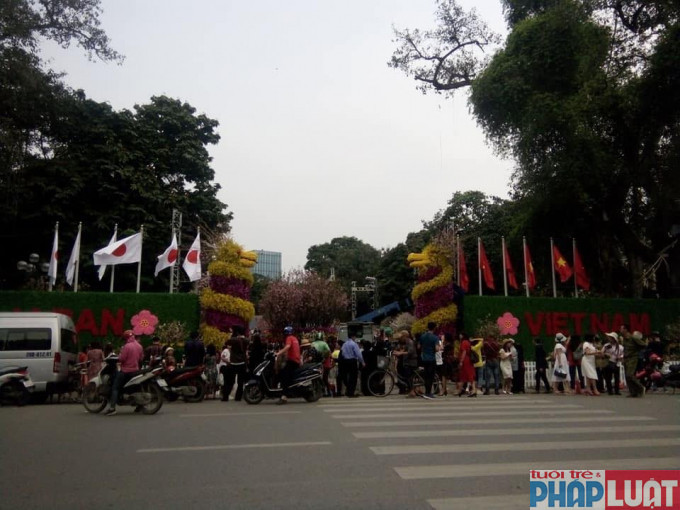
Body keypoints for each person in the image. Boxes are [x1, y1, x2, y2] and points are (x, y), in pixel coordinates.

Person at [105, 330, 143, 416]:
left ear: (126, 337)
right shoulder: (139, 346)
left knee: (115, 388)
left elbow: (122, 359)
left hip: (126, 371)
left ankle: (112, 408)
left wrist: (118, 358)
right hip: (136, 370)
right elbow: (141, 358)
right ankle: (140, 406)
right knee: (135, 388)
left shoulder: (126, 346)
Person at [276, 326, 301, 404]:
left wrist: (278, 353)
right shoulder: (295, 338)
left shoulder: (289, 338)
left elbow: (288, 347)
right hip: (296, 361)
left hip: (292, 361)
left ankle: (284, 397)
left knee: (284, 377)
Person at [224, 326, 248, 402]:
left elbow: (226, 342)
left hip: (233, 363)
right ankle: (238, 397)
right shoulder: (245, 340)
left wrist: (231, 335)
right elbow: (249, 342)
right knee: (240, 382)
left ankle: (225, 396)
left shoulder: (233, 340)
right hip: (242, 363)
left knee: (229, 381)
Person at [622, 328, 647, 398]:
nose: (620, 330)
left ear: (626, 330)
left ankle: (641, 387)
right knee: (627, 376)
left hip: (632, 358)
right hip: (626, 358)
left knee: (630, 374)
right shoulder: (624, 339)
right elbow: (625, 350)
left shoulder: (633, 338)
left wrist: (636, 351)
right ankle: (633, 392)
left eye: (622, 328)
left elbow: (643, 345)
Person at [417, 322, 439, 399]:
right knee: (431, 376)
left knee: (426, 376)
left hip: (424, 358)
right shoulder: (435, 338)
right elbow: (436, 349)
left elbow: (419, 346)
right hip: (431, 359)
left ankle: (426, 392)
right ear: (434, 328)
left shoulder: (422, 336)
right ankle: (428, 393)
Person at [339, 332, 365, 397]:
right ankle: (351, 393)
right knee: (353, 377)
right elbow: (358, 354)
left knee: (347, 377)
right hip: (352, 361)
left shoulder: (344, 344)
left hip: (345, 362)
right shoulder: (354, 344)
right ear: (353, 337)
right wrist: (362, 362)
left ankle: (348, 391)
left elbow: (342, 353)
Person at [393, 330, 418, 398]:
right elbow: (404, 350)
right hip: (407, 362)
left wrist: (400, 353)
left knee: (409, 377)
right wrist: (397, 352)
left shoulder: (410, 342)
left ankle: (412, 392)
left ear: (405, 336)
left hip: (411, 362)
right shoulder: (406, 342)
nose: (401, 338)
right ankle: (412, 391)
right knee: (408, 377)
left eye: (402, 336)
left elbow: (410, 352)